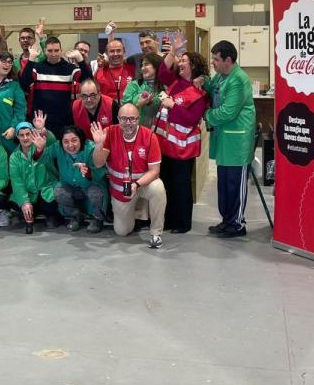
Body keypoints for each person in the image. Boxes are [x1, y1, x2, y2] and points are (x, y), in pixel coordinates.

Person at [90, 104, 167, 249]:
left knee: (158, 188)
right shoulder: (109, 133)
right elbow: (98, 163)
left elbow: (155, 171)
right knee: (122, 231)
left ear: (138, 119)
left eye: (132, 119)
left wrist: (136, 185)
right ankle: (134, 215)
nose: (128, 123)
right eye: (124, 119)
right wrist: (99, 144)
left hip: (141, 185)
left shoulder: (150, 136)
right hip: (120, 190)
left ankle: (156, 233)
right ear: (118, 119)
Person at [156, 31, 209, 234]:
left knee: (181, 186)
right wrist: (174, 50)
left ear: (193, 66)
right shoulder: (176, 82)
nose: (180, 62)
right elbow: (162, 72)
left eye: (184, 60)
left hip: (183, 149)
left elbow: (191, 119)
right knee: (167, 184)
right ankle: (169, 220)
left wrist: (171, 106)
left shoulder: (199, 92)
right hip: (166, 146)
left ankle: (183, 223)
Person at [205, 40, 256, 239]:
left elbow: (228, 111)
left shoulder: (238, 79)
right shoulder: (221, 76)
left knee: (235, 184)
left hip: (238, 142)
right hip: (224, 140)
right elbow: (213, 89)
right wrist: (204, 81)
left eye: (216, 59)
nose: (213, 63)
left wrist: (207, 115)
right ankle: (226, 220)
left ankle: (237, 224)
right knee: (224, 184)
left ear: (228, 59)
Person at [19, 37, 92, 138]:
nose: (53, 54)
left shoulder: (69, 68)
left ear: (61, 51)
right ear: (45, 51)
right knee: (41, 151)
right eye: (50, 51)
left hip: (63, 120)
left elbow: (88, 81)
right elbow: (24, 84)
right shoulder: (37, 67)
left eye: (56, 50)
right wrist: (31, 60)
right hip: (41, 120)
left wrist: (80, 59)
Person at [42, 125, 107, 233]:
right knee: (59, 192)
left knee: (96, 193)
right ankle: (76, 216)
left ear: (80, 139)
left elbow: (101, 171)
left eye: (74, 140)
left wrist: (88, 171)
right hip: (69, 185)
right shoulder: (58, 147)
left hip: (90, 185)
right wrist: (40, 148)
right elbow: (43, 158)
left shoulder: (90, 148)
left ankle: (97, 219)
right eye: (66, 141)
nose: (70, 145)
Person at [9, 112, 63, 232]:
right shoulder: (14, 157)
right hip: (29, 193)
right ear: (17, 137)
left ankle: (52, 216)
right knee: (15, 202)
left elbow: (51, 141)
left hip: (47, 188)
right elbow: (16, 181)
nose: (25, 138)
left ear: (33, 133)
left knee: (50, 204)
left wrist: (41, 129)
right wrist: (24, 202)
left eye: (28, 134)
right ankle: (29, 213)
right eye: (21, 135)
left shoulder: (42, 144)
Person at [122, 53, 164, 126]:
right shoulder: (134, 85)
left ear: (156, 66)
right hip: (136, 129)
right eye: (142, 65)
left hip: (158, 131)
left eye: (146, 64)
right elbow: (124, 111)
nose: (142, 68)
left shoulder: (163, 88)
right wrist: (138, 105)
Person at [95, 39, 136, 103]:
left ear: (124, 52)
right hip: (107, 109)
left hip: (128, 109)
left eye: (119, 51)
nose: (115, 54)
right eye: (112, 51)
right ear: (106, 53)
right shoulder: (99, 72)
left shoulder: (133, 69)